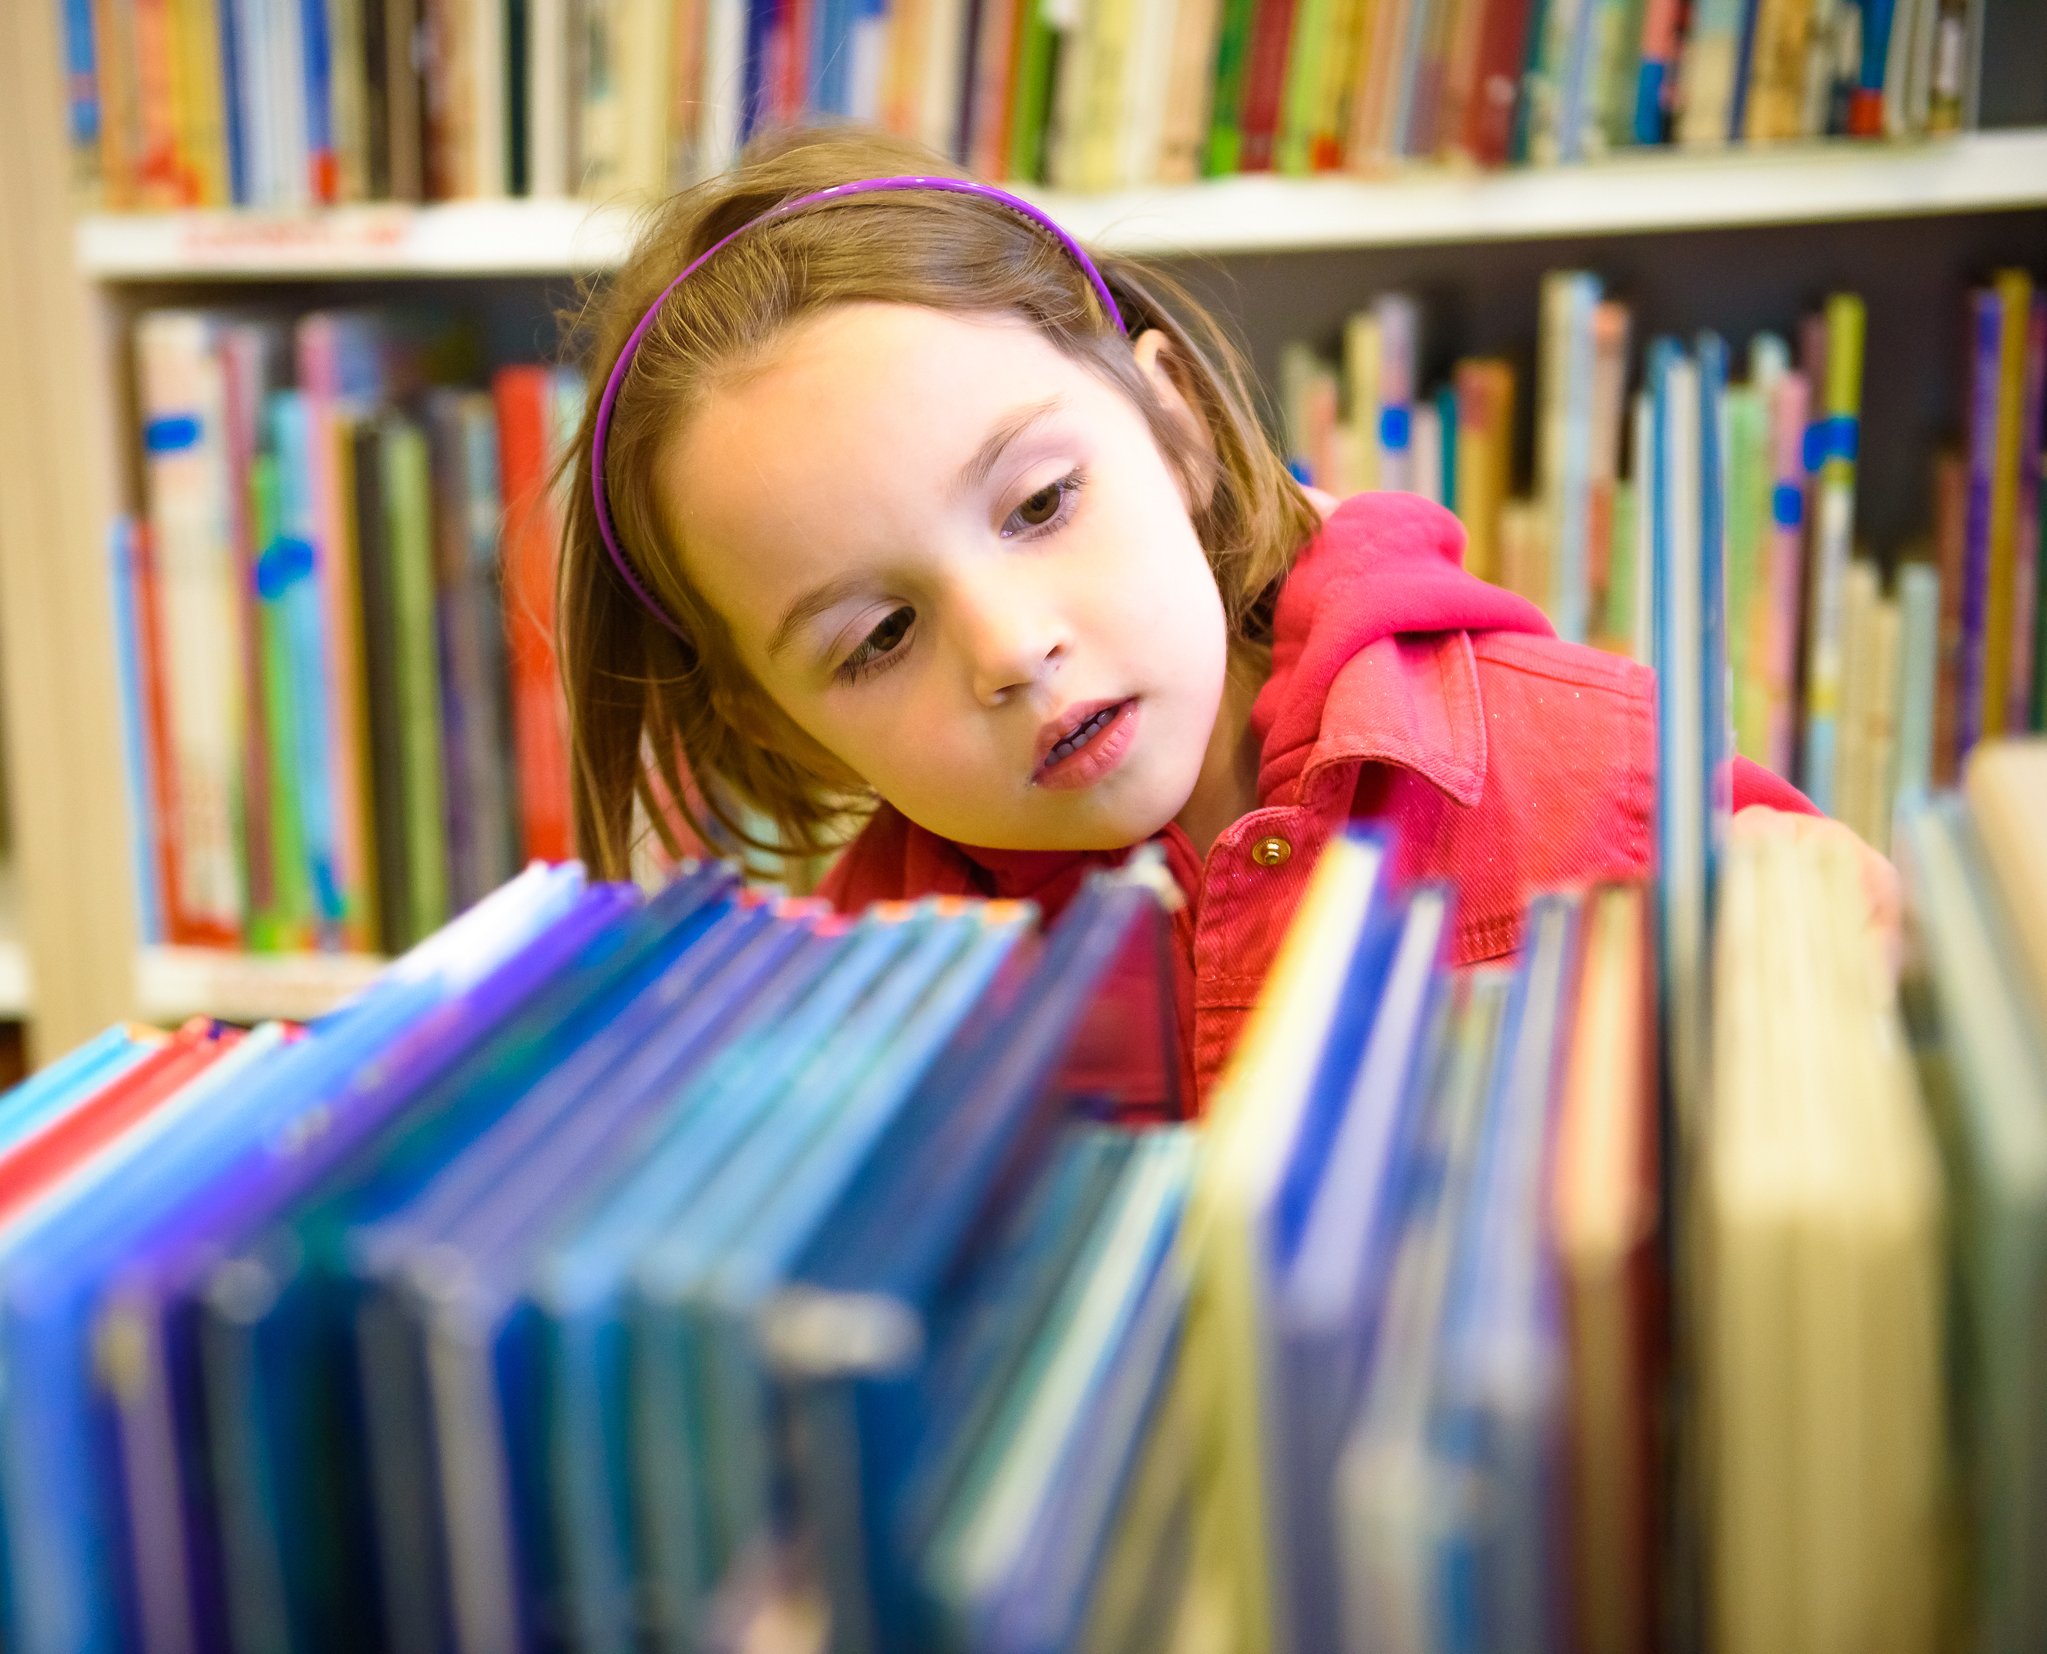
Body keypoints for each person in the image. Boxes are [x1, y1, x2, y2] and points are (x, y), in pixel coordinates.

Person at [553, 126, 1891, 1103]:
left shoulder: (1602, 771)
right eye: (877, 640)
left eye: (1036, 505)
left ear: (1175, 424)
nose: (1012, 647)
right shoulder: (854, 993)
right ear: (777, 723)